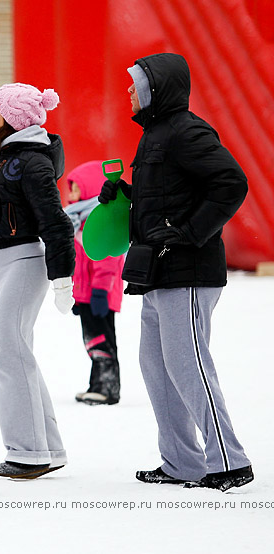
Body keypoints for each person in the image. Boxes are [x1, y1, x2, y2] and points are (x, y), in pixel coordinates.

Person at [99, 53, 252, 491]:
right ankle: (182, 462)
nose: (127, 92)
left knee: (188, 365)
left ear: (154, 89)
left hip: (187, 270)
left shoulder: (187, 131)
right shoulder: (154, 136)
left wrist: (190, 232)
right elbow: (165, 200)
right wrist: (124, 194)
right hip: (157, 270)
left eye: (134, 84)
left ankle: (229, 459)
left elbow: (231, 182)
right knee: (157, 365)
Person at [0, 82, 75, 479]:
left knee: (6, 348)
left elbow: (56, 222)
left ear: (11, 118)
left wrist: (62, 278)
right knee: (16, 350)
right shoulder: (3, 156)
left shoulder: (29, 161)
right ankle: (47, 447)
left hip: (24, 258)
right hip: (1, 259)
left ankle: (27, 452)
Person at [65, 160, 124, 405]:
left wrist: (100, 290)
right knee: (92, 340)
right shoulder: (79, 220)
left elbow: (107, 259)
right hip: (86, 294)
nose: (72, 194)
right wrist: (77, 294)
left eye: (77, 188)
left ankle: (109, 388)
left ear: (91, 187)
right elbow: (78, 264)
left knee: (102, 339)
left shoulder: (100, 220)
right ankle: (96, 384)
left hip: (100, 293)